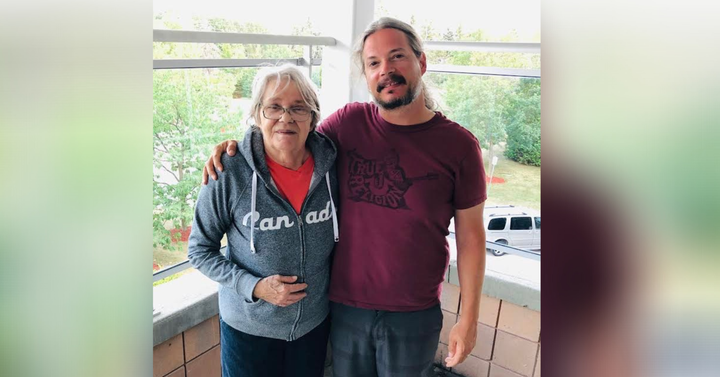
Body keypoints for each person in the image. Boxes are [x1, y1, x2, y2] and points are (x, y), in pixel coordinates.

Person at [203, 18, 487, 377]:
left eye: (397, 56)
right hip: (343, 308)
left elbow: (473, 238)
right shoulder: (349, 124)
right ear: (366, 76)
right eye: (373, 63)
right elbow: (287, 134)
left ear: (421, 63)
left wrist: (469, 319)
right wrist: (236, 148)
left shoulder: (458, 146)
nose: (386, 70)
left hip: (414, 313)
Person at [188, 64, 339, 377]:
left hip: (312, 327)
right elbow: (199, 250)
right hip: (249, 330)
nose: (286, 118)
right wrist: (253, 286)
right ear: (257, 115)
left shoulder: (332, 167)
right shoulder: (229, 173)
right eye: (274, 107)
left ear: (313, 118)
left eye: (299, 108)